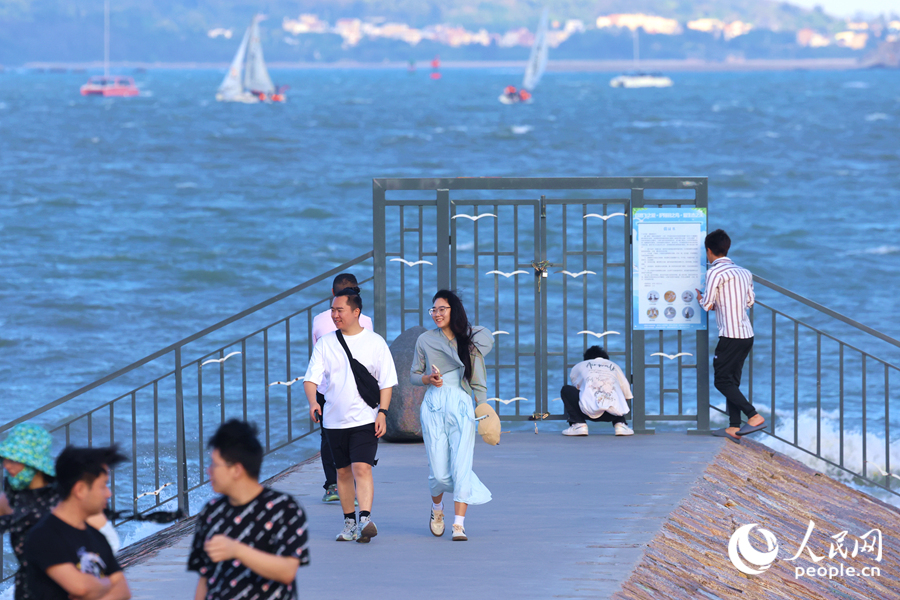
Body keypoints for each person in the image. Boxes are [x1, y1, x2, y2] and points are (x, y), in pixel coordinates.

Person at [303, 288, 397, 543]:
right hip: (333, 420)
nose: (334, 315)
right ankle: (349, 523)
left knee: (362, 468)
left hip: (365, 419)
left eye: (339, 310)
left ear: (356, 312)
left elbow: (386, 382)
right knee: (343, 472)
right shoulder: (326, 343)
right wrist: (313, 402)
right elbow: (311, 378)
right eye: (332, 310)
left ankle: (365, 519)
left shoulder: (375, 342)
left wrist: (383, 413)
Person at [188, 420, 309, 600]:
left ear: (237, 470)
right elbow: (204, 579)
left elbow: (287, 571)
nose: (208, 471)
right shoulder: (211, 512)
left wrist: (237, 550)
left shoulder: (284, 508)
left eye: (214, 465)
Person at [410, 290, 496, 541]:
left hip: (461, 404)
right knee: (437, 471)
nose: (436, 314)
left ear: (453, 310)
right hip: (434, 404)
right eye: (433, 310)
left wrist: (484, 412)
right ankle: (437, 509)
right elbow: (414, 375)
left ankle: (459, 524)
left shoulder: (470, 341)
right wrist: (427, 378)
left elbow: (478, 383)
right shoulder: (425, 340)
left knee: (461, 464)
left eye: (442, 309)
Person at [2, 425, 120, 600]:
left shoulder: (65, 496)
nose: (7, 465)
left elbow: (110, 541)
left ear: (33, 461)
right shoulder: (9, 497)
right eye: (5, 459)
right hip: (28, 591)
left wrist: (95, 581)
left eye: (15, 460)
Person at [23, 445, 130, 600]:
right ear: (79, 490)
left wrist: (97, 589)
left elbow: (123, 590)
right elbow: (81, 588)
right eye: (102, 486)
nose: (108, 493)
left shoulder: (96, 536)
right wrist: (107, 584)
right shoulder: (44, 535)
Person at [695, 229, 765, 444]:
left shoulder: (714, 272)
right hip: (746, 334)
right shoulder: (745, 272)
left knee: (722, 380)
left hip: (730, 335)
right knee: (732, 380)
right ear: (727, 248)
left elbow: (706, 305)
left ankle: (753, 415)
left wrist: (699, 297)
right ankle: (734, 427)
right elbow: (749, 302)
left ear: (709, 251)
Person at [311, 273, 374, 504]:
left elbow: (316, 355)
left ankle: (332, 486)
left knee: (328, 438)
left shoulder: (318, 320)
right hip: (357, 388)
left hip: (326, 388)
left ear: (332, 293)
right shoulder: (365, 320)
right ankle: (355, 487)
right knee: (357, 434)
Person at [560, 346, 635, 437]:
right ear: (606, 359)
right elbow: (627, 395)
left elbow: (578, 388)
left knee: (566, 390)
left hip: (587, 411)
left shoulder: (580, 366)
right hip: (612, 414)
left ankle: (579, 424)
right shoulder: (615, 366)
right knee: (617, 392)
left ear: (586, 359)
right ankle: (620, 424)